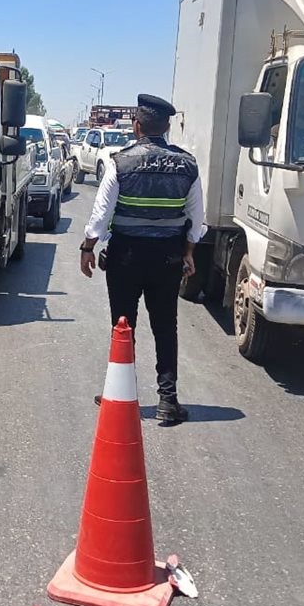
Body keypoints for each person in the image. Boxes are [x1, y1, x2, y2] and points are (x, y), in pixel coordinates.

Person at [80, 94, 205, 424]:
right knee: (165, 327)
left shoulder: (120, 162)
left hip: (125, 257)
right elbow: (196, 218)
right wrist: (189, 252)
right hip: (168, 258)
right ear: (167, 127)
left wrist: (87, 248)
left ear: (137, 126)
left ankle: (120, 394)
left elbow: (101, 215)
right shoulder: (187, 165)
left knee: (123, 326)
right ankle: (168, 401)